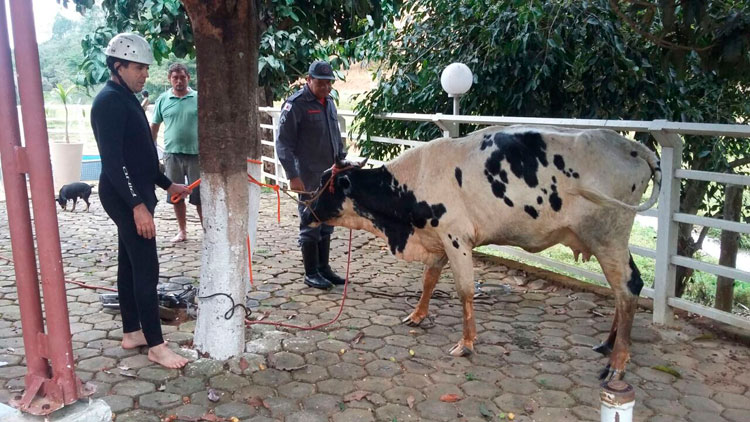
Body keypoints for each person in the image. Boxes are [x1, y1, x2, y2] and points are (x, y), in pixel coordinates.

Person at [90, 33, 190, 369]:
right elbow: (114, 162)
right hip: (122, 195)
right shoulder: (108, 102)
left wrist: (166, 182)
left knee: (130, 263)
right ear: (118, 67)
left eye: (146, 68)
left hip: (134, 191)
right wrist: (137, 206)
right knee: (147, 267)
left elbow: (142, 156)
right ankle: (157, 345)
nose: (144, 74)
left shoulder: (128, 96)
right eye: (138, 68)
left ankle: (133, 331)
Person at [276, 60, 348, 290]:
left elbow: (336, 135)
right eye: (320, 83)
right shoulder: (296, 105)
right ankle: (311, 272)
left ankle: (324, 268)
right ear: (309, 80)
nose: (325, 87)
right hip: (308, 175)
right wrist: (292, 175)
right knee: (311, 221)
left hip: (330, 172)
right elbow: (283, 144)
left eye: (329, 83)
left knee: (327, 219)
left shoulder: (329, 103)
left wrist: (342, 160)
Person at [150, 63, 201, 243]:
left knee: (200, 196)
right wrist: (150, 151)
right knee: (176, 196)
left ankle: (208, 231)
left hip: (196, 155)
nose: (179, 81)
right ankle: (182, 231)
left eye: (182, 77)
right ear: (169, 79)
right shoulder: (163, 100)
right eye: (175, 78)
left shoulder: (198, 98)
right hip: (172, 155)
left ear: (188, 78)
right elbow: (154, 127)